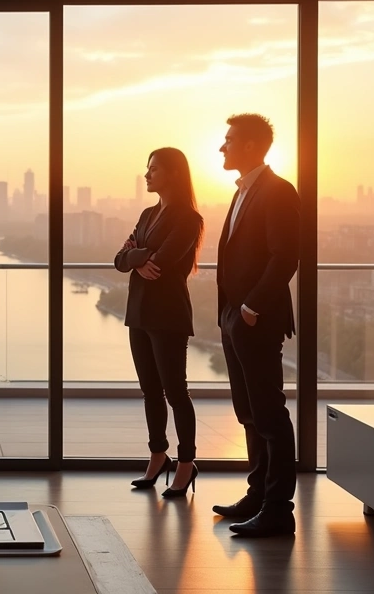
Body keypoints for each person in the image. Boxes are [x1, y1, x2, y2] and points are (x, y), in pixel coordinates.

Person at [210, 113, 300, 537]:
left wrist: (250, 308)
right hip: (235, 317)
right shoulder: (244, 190)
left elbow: (284, 257)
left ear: (249, 146)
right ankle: (257, 494)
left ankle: (279, 509)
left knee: (268, 413)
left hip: (255, 318)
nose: (222, 147)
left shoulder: (279, 191)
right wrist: (230, 312)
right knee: (247, 411)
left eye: (228, 140)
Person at [114, 148, 205, 498]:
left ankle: (186, 463)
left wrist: (136, 256)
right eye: (147, 169)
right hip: (138, 311)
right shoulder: (148, 213)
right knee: (150, 391)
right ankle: (157, 455)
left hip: (167, 315)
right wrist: (138, 259)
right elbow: (120, 259)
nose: (147, 175)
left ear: (173, 173)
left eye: (154, 169)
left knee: (175, 392)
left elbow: (164, 262)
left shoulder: (188, 218)